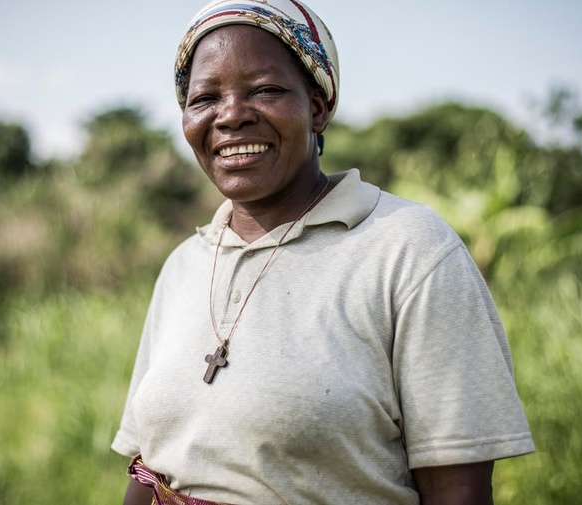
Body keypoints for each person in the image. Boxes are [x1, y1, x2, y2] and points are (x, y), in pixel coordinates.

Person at [111, 1, 535, 503]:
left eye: (265, 90)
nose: (231, 117)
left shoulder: (410, 251)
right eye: (204, 98)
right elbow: (149, 470)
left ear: (318, 105)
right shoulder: (185, 264)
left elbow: (456, 492)